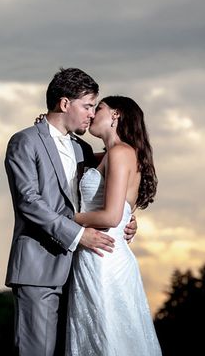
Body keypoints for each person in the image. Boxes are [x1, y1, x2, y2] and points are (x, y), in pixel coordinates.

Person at [3, 67, 137, 356]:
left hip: (83, 271)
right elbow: (28, 201)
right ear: (65, 104)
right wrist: (78, 235)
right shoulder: (24, 141)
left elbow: (109, 187)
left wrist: (126, 219)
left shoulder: (84, 150)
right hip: (39, 267)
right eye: (88, 106)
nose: (91, 114)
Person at [66, 95, 161, 355]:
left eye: (99, 108)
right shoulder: (107, 155)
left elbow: (110, 217)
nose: (93, 113)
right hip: (97, 254)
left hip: (104, 257)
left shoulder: (121, 153)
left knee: (105, 337)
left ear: (116, 114)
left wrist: (65, 219)